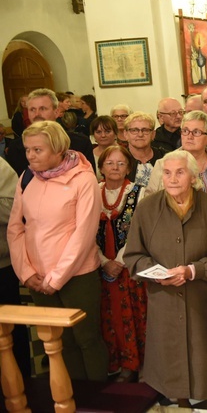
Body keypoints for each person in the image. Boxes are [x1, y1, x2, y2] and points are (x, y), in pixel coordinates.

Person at [124, 150, 207, 410]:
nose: (172, 179)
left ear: (194, 176)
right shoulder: (147, 209)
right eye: (166, 172)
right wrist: (156, 273)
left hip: (204, 303)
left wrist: (192, 271)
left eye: (180, 172)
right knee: (172, 364)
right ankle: (183, 405)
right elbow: (133, 256)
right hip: (164, 303)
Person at [7, 121, 108, 381]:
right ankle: (68, 397)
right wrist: (26, 273)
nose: (30, 155)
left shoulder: (83, 178)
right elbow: (15, 228)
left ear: (58, 148)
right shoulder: (27, 176)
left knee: (86, 338)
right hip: (37, 276)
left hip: (77, 275)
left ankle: (97, 400)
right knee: (56, 342)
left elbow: (83, 234)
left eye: (37, 150)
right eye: (28, 149)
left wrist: (56, 278)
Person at [144, 110, 207, 238]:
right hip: (174, 239)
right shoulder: (163, 165)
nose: (189, 136)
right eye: (185, 131)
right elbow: (149, 208)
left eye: (196, 132)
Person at [96, 145, 147, 383]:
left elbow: (140, 231)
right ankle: (111, 361)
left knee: (132, 316)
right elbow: (81, 231)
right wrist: (104, 261)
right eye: (109, 163)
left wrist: (117, 262)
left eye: (121, 163)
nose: (115, 168)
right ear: (101, 167)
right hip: (96, 265)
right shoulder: (91, 192)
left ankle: (132, 364)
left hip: (129, 267)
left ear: (129, 167)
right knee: (105, 316)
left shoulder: (140, 193)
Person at [6, 88, 96, 176]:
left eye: (43, 109)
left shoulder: (80, 142)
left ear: (56, 112)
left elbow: (90, 180)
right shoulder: (16, 148)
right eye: (32, 109)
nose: (37, 114)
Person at [0, 157, 29, 378]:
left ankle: (22, 382)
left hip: (1, 265)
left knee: (10, 329)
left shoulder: (0, 167)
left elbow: (15, 207)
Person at [122, 112, 165, 187]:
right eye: (134, 130)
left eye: (145, 130)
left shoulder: (165, 157)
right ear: (125, 134)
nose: (140, 134)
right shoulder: (119, 159)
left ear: (153, 134)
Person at [91, 115, 119, 180]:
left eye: (107, 131)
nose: (103, 135)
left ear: (115, 133)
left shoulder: (124, 153)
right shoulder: (90, 155)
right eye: (98, 132)